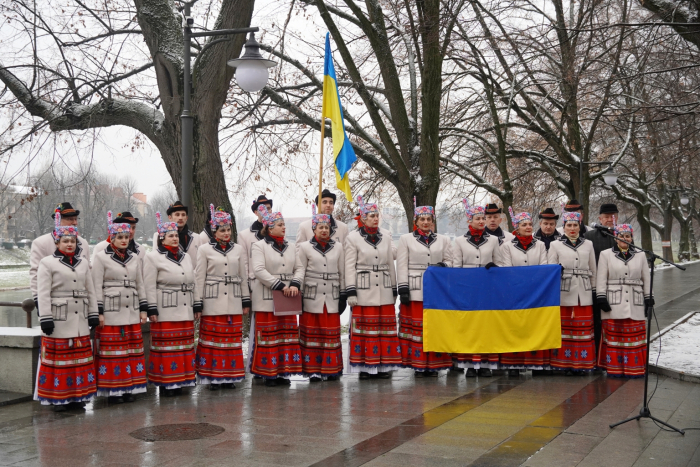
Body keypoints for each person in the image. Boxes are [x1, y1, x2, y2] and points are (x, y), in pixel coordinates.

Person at [35, 209, 99, 411]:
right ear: (57, 243)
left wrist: (94, 313)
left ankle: (78, 396)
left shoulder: (83, 263)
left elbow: (90, 290)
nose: (70, 244)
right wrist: (45, 317)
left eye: (72, 241)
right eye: (65, 241)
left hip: (79, 318)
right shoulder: (47, 263)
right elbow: (43, 292)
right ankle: (58, 398)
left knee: (79, 361)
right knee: (59, 362)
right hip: (58, 318)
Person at [92, 212, 149, 403]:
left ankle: (128, 388)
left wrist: (143, 310)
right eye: (120, 237)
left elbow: (140, 284)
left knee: (130, 352)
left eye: (126, 237)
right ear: (112, 238)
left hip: (131, 310)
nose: (124, 240)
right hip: (111, 311)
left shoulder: (134, 257)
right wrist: (99, 312)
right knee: (113, 354)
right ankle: (113, 391)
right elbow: (96, 286)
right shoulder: (101, 257)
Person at [194, 206, 251, 390]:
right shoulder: (204, 250)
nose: (226, 233)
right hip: (212, 301)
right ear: (214, 231)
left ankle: (230, 376)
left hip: (233, 301)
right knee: (212, 341)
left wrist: (245, 300)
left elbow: (242, 276)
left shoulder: (238, 250)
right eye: (222, 230)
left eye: (228, 230)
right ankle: (212, 376)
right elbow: (199, 277)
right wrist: (198, 303)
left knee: (231, 341)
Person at [143, 212, 200, 397]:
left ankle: (183, 379)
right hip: (165, 308)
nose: (175, 238)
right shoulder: (153, 257)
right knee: (167, 347)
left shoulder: (185, 257)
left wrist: (197, 304)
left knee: (184, 346)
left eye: (176, 235)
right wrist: (151, 307)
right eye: (171, 236)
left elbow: (194, 281)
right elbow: (149, 285)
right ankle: (167, 383)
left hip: (184, 307)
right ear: (162, 238)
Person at [397, 198, 454, 377]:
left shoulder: (443, 240)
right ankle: (418, 364)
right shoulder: (406, 239)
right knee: (418, 328)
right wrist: (403, 287)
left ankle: (435, 364)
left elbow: (451, 260)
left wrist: (442, 266)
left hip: (437, 289)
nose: (426, 222)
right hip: (415, 289)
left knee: (434, 326)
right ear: (416, 221)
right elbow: (401, 264)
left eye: (429, 219)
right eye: (422, 219)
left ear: (433, 221)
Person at [345, 196, 401, 379]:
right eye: (371, 215)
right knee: (365, 331)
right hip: (363, 288)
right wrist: (351, 290)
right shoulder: (353, 238)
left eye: (377, 215)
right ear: (362, 218)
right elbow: (349, 265)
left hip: (383, 287)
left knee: (384, 330)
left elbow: (390, 262)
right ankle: (365, 367)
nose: (375, 218)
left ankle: (385, 366)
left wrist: (394, 289)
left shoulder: (386, 235)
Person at [291, 203, 346, 382]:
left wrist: (343, 294)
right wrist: (298, 294)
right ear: (314, 228)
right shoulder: (305, 247)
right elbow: (300, 270)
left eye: (327, 227)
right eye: (320, 227)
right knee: (312, 333)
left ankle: (331, 369)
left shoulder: (338, 247)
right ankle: (313, 370)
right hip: (311, 296)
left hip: (331, 295)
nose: (324, 230)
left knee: (330, 333)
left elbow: (342, 272)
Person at [250, 206, 303, 387]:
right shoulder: (259, 246)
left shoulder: (292, 246)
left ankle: (284, 371)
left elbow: (300, 267)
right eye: (280, 225)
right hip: (267, 297)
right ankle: (268, 372)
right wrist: (280, 286)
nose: (284, 227)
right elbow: (258, 269)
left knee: (286, 336)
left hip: (288, 297)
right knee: (269, 336)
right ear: (270, 228)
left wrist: (295, 284)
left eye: (284, 224)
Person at [596, 222, 652, 378]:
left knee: (634, 338)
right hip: (614, 301)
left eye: (628, 236)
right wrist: (601, 297)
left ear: (632, 237)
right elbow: (601, 278)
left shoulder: (640, 255)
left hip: (635, 301)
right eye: (621, 236)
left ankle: (634, 369)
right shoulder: (606, 254)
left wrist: (649, 299)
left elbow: (646, 279)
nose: (624, 238)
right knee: (615, 337)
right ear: (615, 237)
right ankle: (615, 369)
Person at [452, 199, 501, 377]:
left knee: (487, 326)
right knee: (470, 326)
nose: (481, 221)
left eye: (483, 218)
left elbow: (500, 262)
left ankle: (486, 363)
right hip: (469, 289)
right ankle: (470, 364)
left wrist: (495, 268)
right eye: (477, 218)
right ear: (469, 221)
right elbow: (456, 266)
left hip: (488, 288)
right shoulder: (459, 241)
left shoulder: (493, 240)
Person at [498, 208, 549, 376]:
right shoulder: (507, 247)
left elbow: (543, 267)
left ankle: (535, 364)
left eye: (529, 224)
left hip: (535, 292)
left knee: (534, 327)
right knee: (515, 327)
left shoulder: (540, 245)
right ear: (516, 227)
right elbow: (507, 269)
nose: (528, 227)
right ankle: (514, 364)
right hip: (515, 292)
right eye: (524, 224)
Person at [547, 211, 597, 375]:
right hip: (564, 290)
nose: (572, 228)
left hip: (583, 290)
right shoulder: (555, 245)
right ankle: (563, 364)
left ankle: (581, 364)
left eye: (576, 225)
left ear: (580, 226)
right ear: (564, 227)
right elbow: (550, 269)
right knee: (565, 330)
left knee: (582, 330)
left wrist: (595, 290)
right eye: (569, 225)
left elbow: (593, 269)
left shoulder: (588, 244)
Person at [30, 202, 91, 313]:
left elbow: (89, 275)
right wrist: (39, 301)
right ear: (58, 221)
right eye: (70, 219)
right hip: (56, 304)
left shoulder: (83, 243)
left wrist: (93, 307)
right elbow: (35, 274)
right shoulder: (41, 243)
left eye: (76, 219)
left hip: (81, 306)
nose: (75, 223)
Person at [584, 203, 619, 353]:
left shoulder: (623, 234)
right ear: (600, 219)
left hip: (619, 286)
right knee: (598, 322)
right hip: (599, 285)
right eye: (606, 217)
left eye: (613, 216)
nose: (610, 220)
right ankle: (599, 355)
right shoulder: (590, 236)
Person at [151, 201, 202, 266]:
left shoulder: (196, 237)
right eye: (177, 215)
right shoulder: (160, 235)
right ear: (170, 217)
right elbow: (156, 258)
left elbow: (200, 262)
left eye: (183, 215)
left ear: (186, 218)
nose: (180, 218)